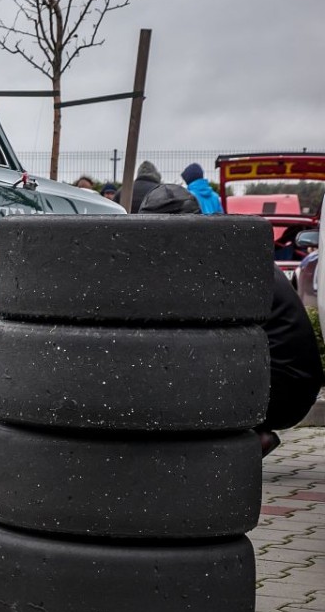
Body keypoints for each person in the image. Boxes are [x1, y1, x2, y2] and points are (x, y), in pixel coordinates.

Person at [139, 185, 324, 456]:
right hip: (292, 384)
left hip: (279, 391)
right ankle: (245, 436)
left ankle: (233, 444)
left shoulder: (207, 264)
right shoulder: (224, 248)